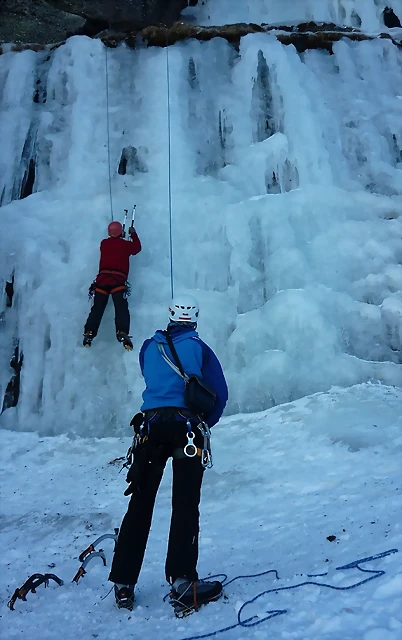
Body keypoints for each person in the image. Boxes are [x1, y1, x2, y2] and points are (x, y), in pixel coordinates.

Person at [109, 294, 228, 612]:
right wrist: (204, 422)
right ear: (195, 318)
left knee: (141, 502)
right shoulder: (200, 348)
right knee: (186, 504)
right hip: (188, 428)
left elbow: (151, 379)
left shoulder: (149, 347)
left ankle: (123, 584)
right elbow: (220, 393)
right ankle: (182, 580)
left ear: (170, 316)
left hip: (150, 430)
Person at [83, 221, 141, 350]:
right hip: (117, 282)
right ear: (121, 232)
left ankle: (89, 332)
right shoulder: (125, 245)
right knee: (121, 308)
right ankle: (122, 331)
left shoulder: (104, 243)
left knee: (97, 308)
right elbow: (137, 248)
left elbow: (115, 246)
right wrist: (133, 234)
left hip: (102, 281)